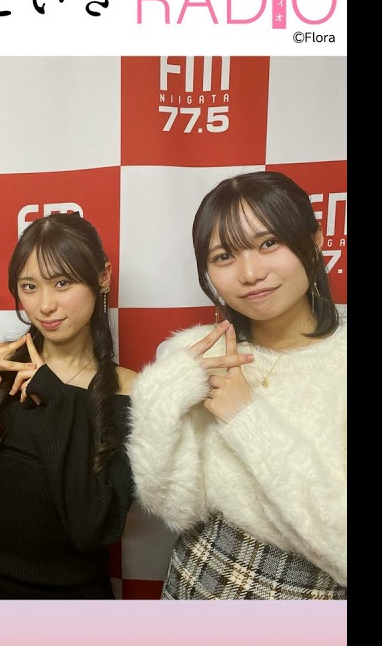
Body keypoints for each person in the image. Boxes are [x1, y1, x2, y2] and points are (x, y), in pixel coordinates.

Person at [126, 170, 346, 600]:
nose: (250, 273)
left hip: (307, 597)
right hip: (195, 579)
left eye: (268, 243)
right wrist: (159, 398)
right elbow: (174, 507)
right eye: (224, 255)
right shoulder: (197, 356)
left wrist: (246, 418)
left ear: (315, 240)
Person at [0, 212, 137, 599]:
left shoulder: (131, 391)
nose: (45, 305)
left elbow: (94, 527)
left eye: (62, 282)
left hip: (75, 606)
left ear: (102, 276)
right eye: (29, 286)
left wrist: (56, 396)